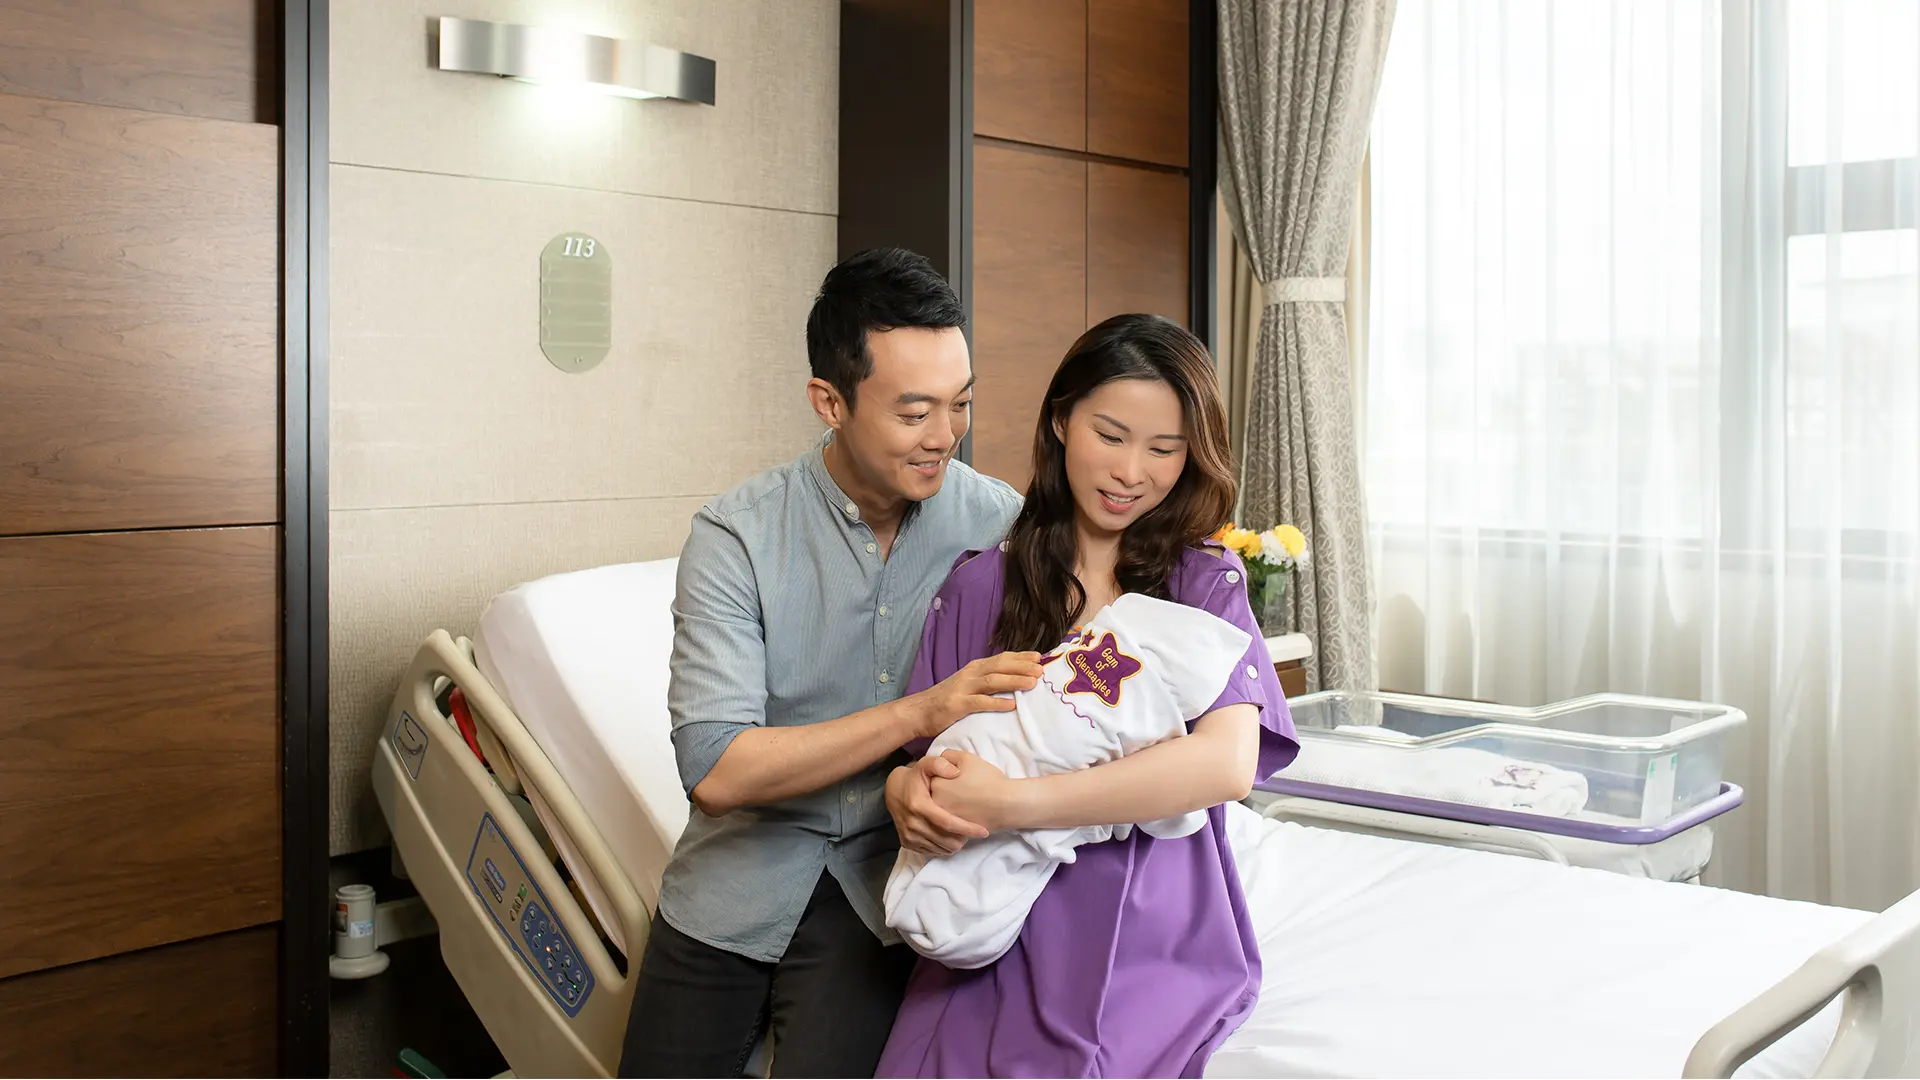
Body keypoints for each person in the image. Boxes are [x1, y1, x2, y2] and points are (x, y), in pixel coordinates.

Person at [617, 248, 1043, 1078]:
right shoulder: (736, 536)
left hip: (889, 888)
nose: (945, 438)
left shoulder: (1002, 526)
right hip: (734, 884)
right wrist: (920, 712)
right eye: (914, 412)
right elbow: (716, 768)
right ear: (829, 401)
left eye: (960, 406)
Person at [877, 313, 1300, 1079]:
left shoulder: (1203, 585)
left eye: (1164, 449)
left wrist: (1014, 805)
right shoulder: (980, 586)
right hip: (995, 906)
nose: (1132, 471)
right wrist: (906, 792)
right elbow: (925, 754)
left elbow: (1226, 767)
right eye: (1111, 435)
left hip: (1155, 919)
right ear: (1062, 421)